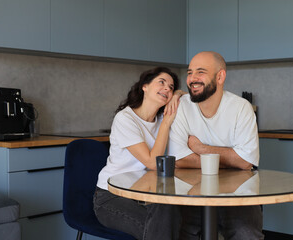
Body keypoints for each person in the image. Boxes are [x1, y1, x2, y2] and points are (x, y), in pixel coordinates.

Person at [167, 51, 264, 240]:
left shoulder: (241, 108)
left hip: (237, 192)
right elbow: (179, 160)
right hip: (191, 191)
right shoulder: (181, 106)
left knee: (246, 234)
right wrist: (230, 160)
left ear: (220, 76)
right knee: (183, 233)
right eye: (189, 73)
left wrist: (201, 148)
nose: (192, 78)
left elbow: (245, 162)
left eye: (200, 72)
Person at [93, 67, 185, 240]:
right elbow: (152, 163)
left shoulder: (161, 119)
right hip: (112, 196)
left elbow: (190, 98)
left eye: (171, 87)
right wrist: (166, 124)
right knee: (163, 232)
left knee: (174, 215)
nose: (167, 88)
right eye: (161, 82)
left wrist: (179, 93)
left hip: (147, 194)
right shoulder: (126, 118)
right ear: (145, 86)